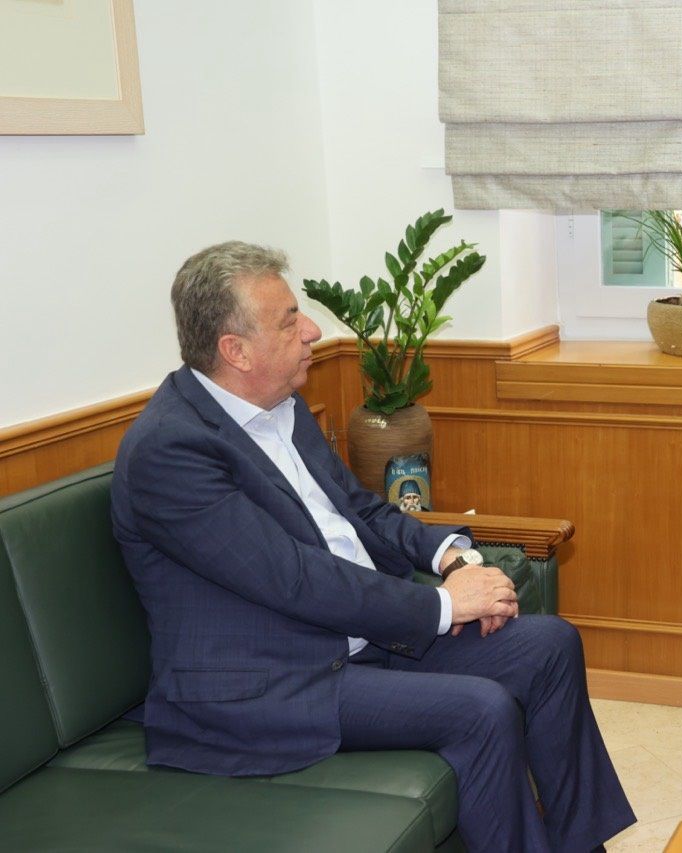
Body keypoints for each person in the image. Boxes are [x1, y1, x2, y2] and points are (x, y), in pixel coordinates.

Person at [112, 241, 635, 852]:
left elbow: (359, 510)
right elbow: (293, 578)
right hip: (269, 683)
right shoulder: (170, 452)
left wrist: (448, 555)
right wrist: (445, 605)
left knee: (550, 646)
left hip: (357, 640)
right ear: (236, 351)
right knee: (481, 709)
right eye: (289, 321)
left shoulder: (279, 405)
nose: (311, 331)